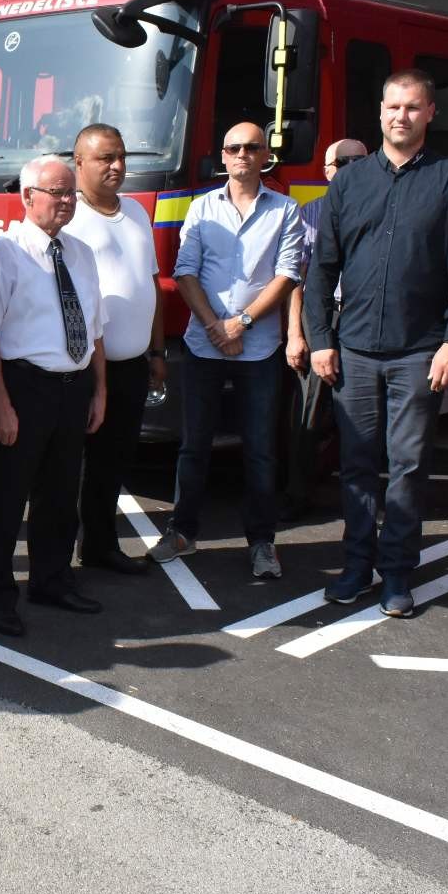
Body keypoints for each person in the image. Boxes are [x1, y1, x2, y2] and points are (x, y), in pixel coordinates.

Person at [305, 70, 448, 617]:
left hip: (418, 352)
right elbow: (321, 268)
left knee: (407, 465)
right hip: (353, 350)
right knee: (357, 465)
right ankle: (357, 566)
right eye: (391, 107)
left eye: (411, 107)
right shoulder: (349, 184)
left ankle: (397, 572)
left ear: (430, 113)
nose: (399, 116)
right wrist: (320, 339)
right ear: (379, 112)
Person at [150, 123, 303, 581]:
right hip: (204, 344)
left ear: (265, 156)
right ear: (223, 154)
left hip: (258, 348)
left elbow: (287, 273)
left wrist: (243, 322)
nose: (242, 154)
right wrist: (216, 326)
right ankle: (182, 532)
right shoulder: (201, 208)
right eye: (234, 147)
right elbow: (185, 271)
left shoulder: (286, 210)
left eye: (252, 147)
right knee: (194, 446)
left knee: (259, 450)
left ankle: (262, 543)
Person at [0, 157, 107, 637]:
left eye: (72, 192)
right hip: (25, 386)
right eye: (57, 192)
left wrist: (100, 391)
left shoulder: (81, 253)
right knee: (7, 498)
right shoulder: (4, 254)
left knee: (59, 495)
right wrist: (1, 402)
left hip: (73, 388)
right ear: (28, 197)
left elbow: (94, 330)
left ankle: (52, 579)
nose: (67, 201)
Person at [62, 123, 165, 575]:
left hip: (134, 364)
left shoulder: (139, 212)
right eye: (105, 158)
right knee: (75, 467)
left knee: (114, 463)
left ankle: (101, 546)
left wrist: (158, 352)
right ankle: (60, 558)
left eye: (121, 156)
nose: (117, 166)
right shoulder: (72, 220)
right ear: (78, 163)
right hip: (87, 369)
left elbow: (151, 284)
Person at [281, 138, 368, 519]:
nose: (351, 169)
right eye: (342, 163)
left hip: (365, 318)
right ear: (327, 171)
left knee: (364, 415)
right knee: (307, 416)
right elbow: (295, 280)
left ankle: (359, 500)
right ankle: (296, 497)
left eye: (360, 161)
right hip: (322, 317)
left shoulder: (383, 212)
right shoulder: (310, 215)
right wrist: (296, 334)